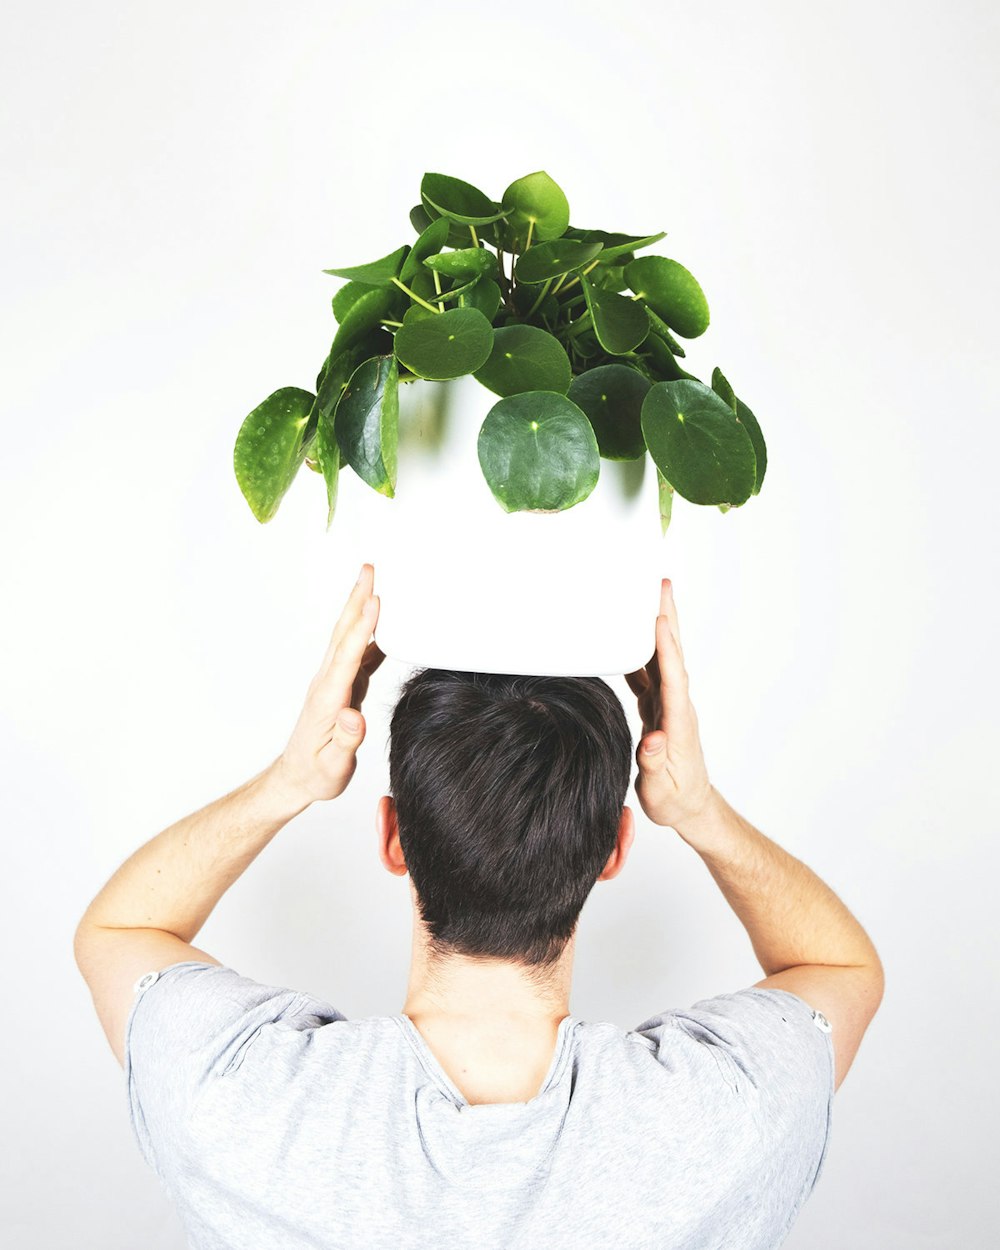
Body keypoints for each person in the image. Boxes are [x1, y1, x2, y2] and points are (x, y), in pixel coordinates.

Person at [74, 564, 884, 1249]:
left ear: (394, 838)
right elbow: (838, 967)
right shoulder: (720, 1120)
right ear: (615, 849)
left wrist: (292, 779)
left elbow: (121, 931)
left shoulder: (243, 1104)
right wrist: (701, 809)